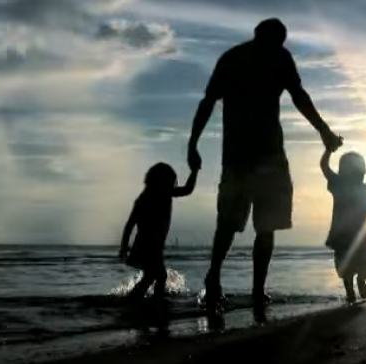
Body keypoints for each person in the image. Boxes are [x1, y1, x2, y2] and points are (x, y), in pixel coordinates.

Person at [187, 18, 343, 310]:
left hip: (249, 155)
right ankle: (230, 284)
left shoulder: (238, 57)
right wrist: (323, 131)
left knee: (246, 225)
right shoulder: (263, 57)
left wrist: (193, 143)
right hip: (256, 155)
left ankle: (239, 285)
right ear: (267, 37)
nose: (272, 47)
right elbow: (209, 101)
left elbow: (297, 96)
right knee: (246, 225)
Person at [119, 162, 199, 300]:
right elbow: (130, 225)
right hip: (146, 245)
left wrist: (194, 172)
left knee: (152, 277)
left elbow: (187, 189)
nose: (171, 183)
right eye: (167, 179)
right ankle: (151, 300)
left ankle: (141, 300)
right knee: (159, 276)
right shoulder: (146, 198)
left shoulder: (165, 193)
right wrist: (124, 247)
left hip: (153, 246)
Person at [320, 149, 366, 304]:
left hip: (353, 235)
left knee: (362, 264)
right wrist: (328, 151)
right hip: (348, 235)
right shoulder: (340, 185)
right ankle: (352, 288)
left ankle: (359, 282)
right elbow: (325, 167)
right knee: (352, 266)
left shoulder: (359, 188)